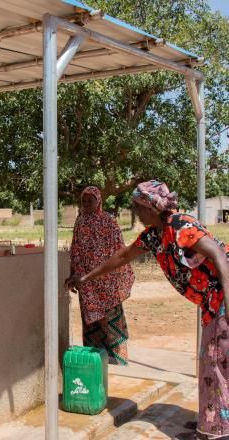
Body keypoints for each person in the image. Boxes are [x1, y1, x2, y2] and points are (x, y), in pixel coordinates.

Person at [66, 180, 229, 440]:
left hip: (223, 297)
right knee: (211, 361)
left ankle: (216, 432)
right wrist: (86, 277)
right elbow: (122, 257)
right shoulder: (153, 235)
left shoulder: (180, 225)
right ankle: (210, 421)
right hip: (212, 301)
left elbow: (220, 255)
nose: (136, 212)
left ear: (152, 206)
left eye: (138, 207)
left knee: (215, 363)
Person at [65, 186, 134, 365]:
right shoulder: (80, 222)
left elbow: (120, 249)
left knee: (110, 318)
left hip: (107, 280)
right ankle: (96, 359)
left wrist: (116, 275)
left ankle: (119, 357)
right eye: (84, 201)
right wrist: (74, 274)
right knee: (92, 320)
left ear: (99, 201)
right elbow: (76, 249)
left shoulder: (109, 221)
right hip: (86, 280)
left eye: (90, 200)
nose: (87, 204)